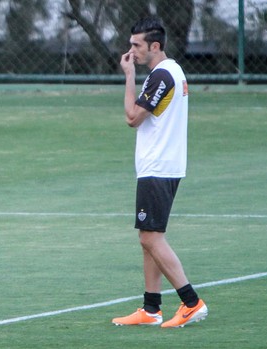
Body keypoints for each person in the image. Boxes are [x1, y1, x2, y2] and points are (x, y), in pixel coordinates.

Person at [111, 17, 208, 328]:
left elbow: (132, 117)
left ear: (155, 46)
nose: (132, 51)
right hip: (165, 165)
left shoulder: (161, 76)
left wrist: (128, 76)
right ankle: (151, 309)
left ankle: (191, 302)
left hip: (158, 167)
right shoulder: (174, 71)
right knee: (148, 237)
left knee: (151, 238)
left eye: (137, 45)